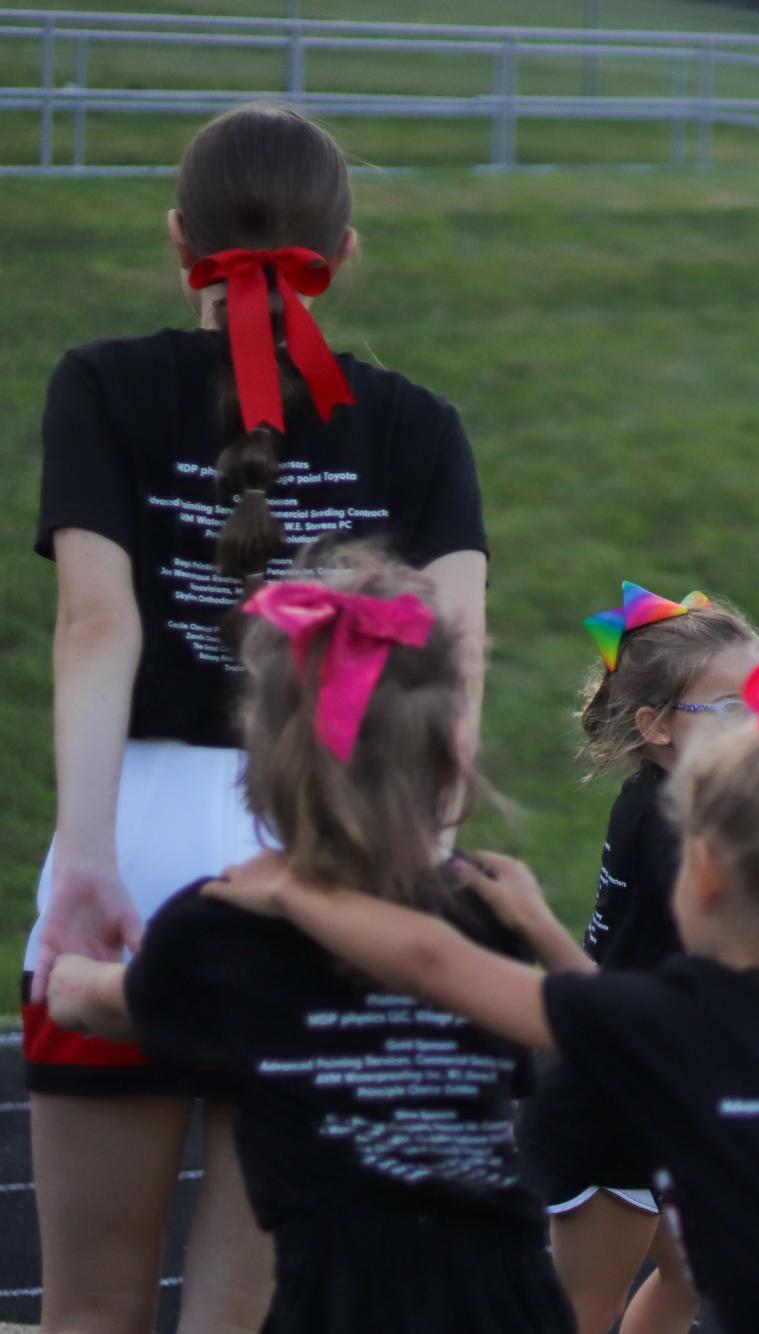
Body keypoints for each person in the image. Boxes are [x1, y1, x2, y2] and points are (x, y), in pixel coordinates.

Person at [27, 103, 487, 1333]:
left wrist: (87, 852)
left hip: (129, 837)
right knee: (246, 1318)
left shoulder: (100, 385)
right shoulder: (420, 425)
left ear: (179, 241)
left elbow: (93, 627)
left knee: (87, 1311)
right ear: (346, 254)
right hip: (334, 860)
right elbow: (451, 667)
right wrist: (423, 871)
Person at [202, 656, 759, 1333]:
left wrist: (295, 892)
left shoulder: (691, 1020)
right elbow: (599, 1011)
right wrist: (538, 923)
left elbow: (431, 960)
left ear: (700, 877)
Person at [47, 546, 568, 1334]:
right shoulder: (492, 913)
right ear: (451, 753)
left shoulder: (220, 928)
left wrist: (68, 971)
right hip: (509, 1302)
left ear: (261, 758)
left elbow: (95, 1003)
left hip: (335, 1306)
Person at [516, 581, 759, 1334]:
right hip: (614, 1098)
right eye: (729, 709)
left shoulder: (682, 801)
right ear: (656, 727)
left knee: (699, 1273)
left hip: (658, 1080)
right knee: (586, 1309)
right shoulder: (670, 819)